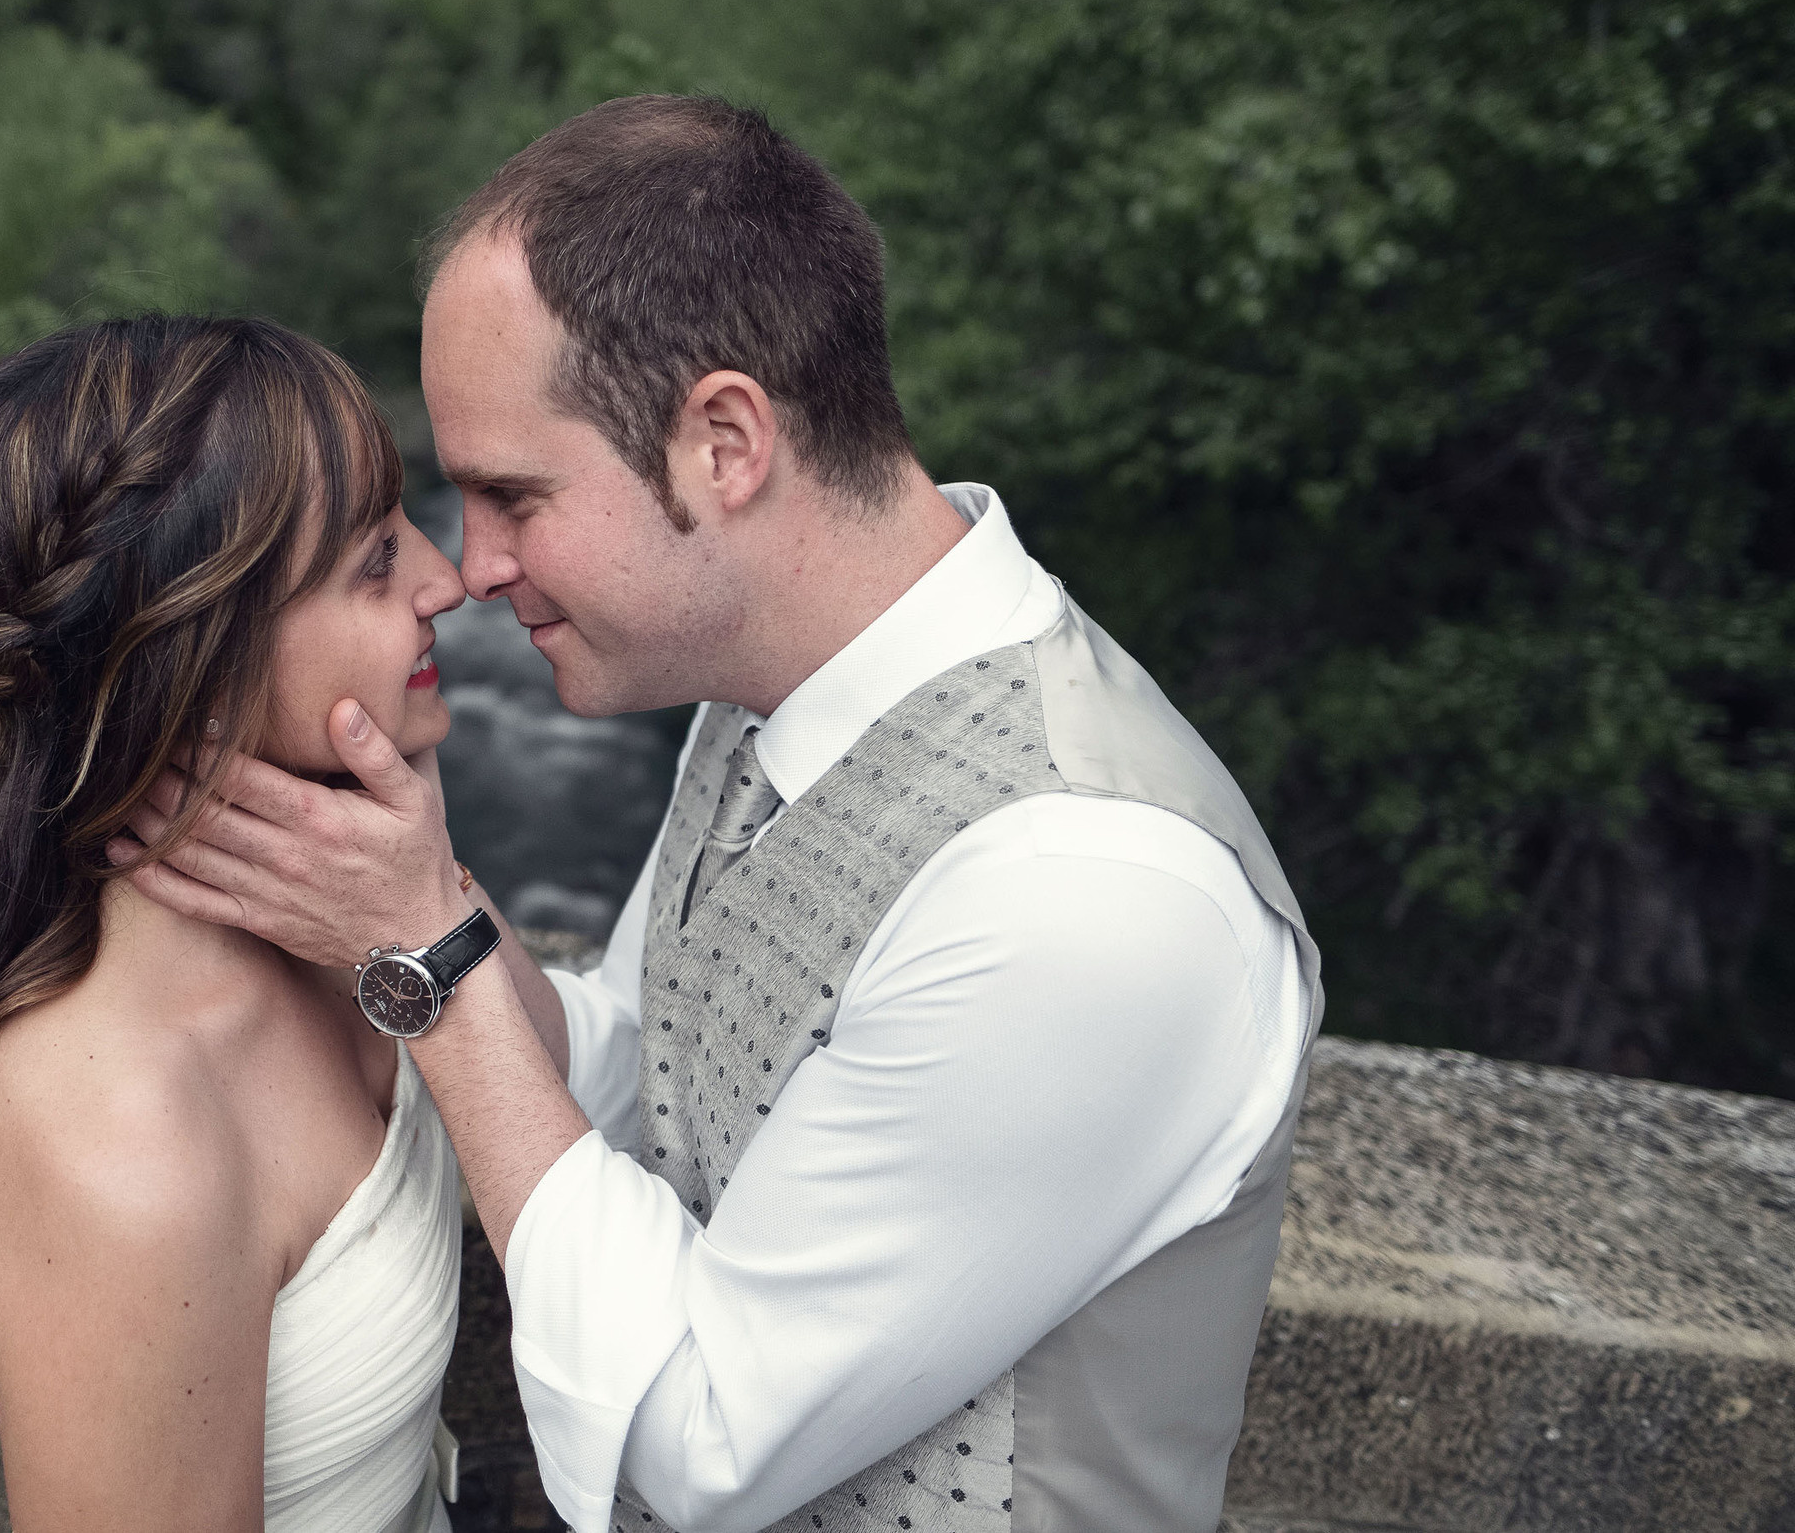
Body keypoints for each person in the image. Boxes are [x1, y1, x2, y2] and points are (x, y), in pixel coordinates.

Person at [115, 96, 1324, 1533]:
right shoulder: (769, 692)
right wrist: (400, 889)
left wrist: (426, 963)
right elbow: (641, 1078)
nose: (472, 567)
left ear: (725, 441)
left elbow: (695, 1436)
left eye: (512, 494)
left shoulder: (1088, 892)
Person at [0, 315, 480, 1533]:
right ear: (198, 661)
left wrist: (428, 909)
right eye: (376, 559)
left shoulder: (356, 907)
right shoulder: (125, 1151)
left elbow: (551, 1070)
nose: (448, 583)